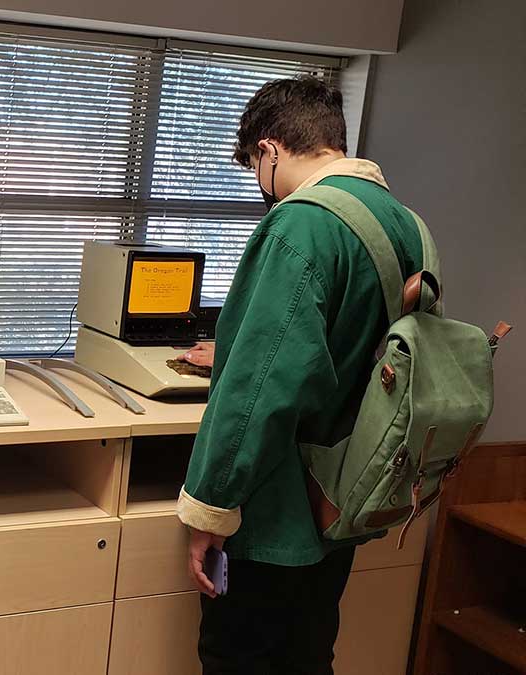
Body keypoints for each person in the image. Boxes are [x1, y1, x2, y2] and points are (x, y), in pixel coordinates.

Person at [176, 75, 427, 674]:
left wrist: (210, 510)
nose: (261, 188)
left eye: (255, 170)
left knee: (238, 656)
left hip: (278, 510)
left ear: (269, 151)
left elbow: (259, 392)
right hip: (344, 497)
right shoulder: (404, 223)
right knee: (308, 654)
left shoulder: (302, 224)